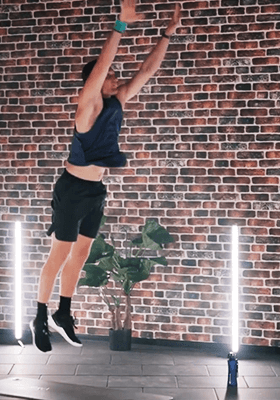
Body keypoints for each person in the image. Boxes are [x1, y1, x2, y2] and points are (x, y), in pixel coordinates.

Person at [30, 0, 181, 352]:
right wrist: (120, 26)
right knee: (60, 254)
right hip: (71, 190)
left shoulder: (117, 102)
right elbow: (103, 66)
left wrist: (167, 35)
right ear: (95, 83)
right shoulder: (89, 106)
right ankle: (39, 315)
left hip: (95, 190)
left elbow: (146, 71)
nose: (117, 76)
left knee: (81, 255)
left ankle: (63, 313)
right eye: (111, 75)